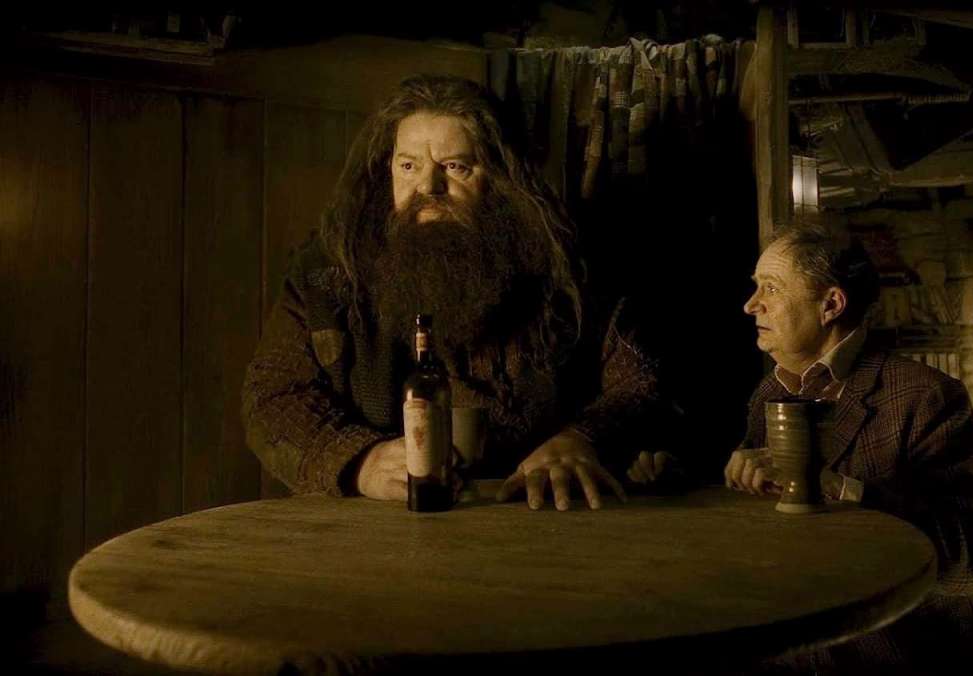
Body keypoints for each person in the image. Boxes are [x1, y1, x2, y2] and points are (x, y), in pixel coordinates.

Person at [243, 74, 669, 511]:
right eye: (408, 166)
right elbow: (273, 396)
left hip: (534, 518)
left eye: (455, 167)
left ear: (500, 176)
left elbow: (644, 385)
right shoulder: (330, 273)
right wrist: (361, 461)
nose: (428, 187)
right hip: (376, 526)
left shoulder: (565, 271)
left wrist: (582, 438)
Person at [726, 226, 973, 674]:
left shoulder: (927, 395)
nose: (751, 304)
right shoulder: (768, 396)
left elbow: (971, 563)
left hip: (906, 662)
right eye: (756, 287)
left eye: (771, 289)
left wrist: (840, 490)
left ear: (831, 305)